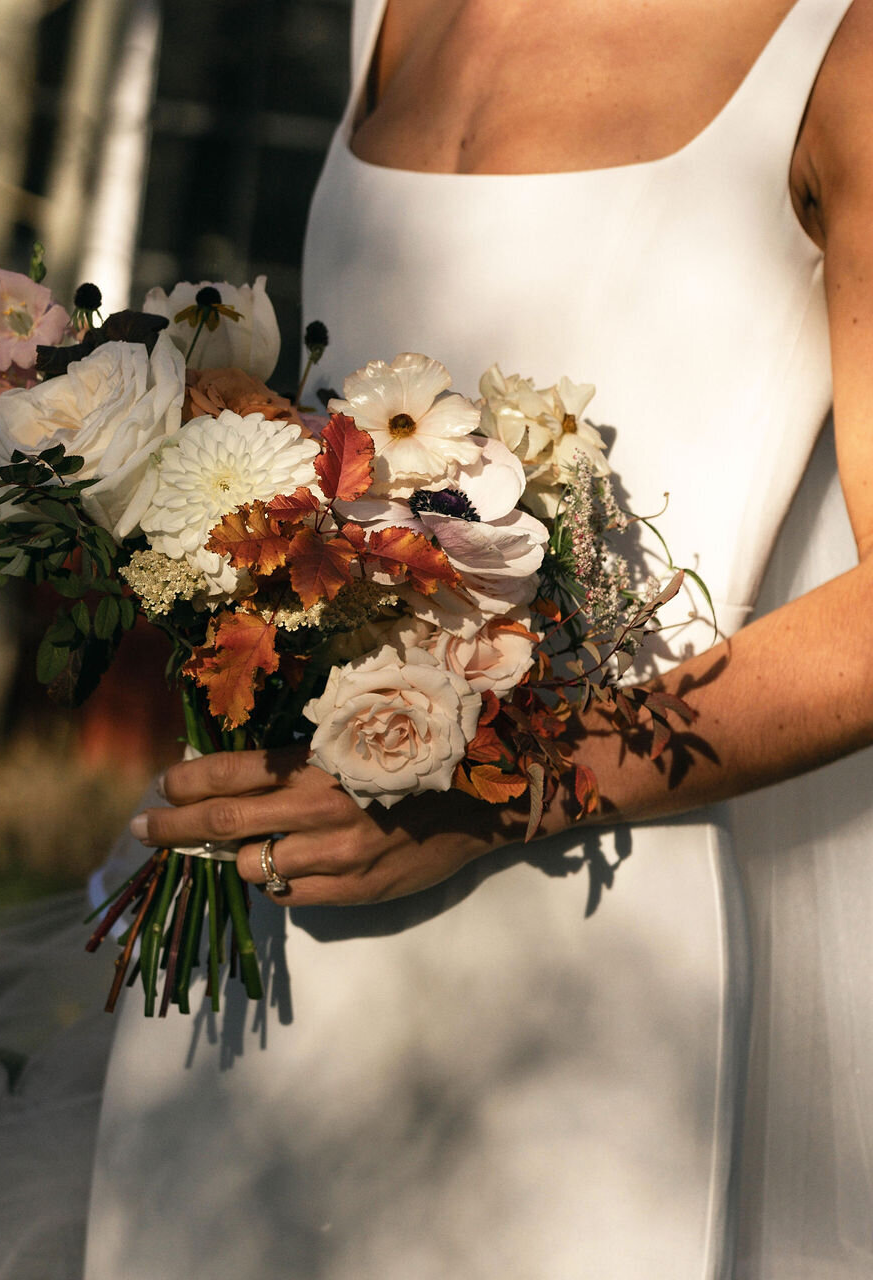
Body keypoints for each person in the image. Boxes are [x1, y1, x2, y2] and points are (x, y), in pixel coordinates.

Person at [84, 2, 873, 1278]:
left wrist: (488, 790)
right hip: (275, 908)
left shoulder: (840, 47)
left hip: (605, 933)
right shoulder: (381, 16)